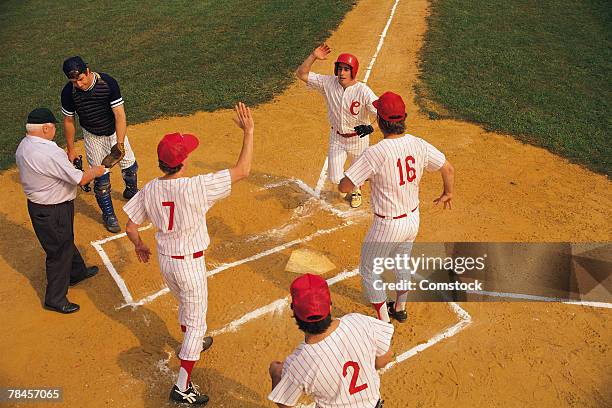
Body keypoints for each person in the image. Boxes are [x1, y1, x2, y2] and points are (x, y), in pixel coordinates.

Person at [123, 102, 254, 405]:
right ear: (182, 162)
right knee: (197, 323)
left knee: (184, 304)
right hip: (190, 266)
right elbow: (243, 170)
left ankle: (190, 340)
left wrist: (139, 246)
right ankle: (182, 386)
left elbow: (131, 227)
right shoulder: (195, 187)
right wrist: (249, 131)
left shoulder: (151, 188)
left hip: (166, 262)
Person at [339, 92, 455, 323]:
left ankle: (384, 321)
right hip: (413, 220)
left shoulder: (375, 153)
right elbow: (448, 168)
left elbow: (344, 187)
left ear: (381, 121)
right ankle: (400, 308)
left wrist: (363, 175)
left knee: (369, 271)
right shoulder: (418, 144)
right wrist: (448, 192)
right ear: (404, 118)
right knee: (402, 262)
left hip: (387, 225)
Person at [15, 108, 104, 314]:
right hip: (53, 209)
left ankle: (77, 272)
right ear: (45, 128)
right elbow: (80, 179)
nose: (55, 129)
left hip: (41, 207)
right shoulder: (49, 152)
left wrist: (64, 163)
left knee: (63, 239)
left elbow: (50, 168)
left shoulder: (24, 145)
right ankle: (55, 298)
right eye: (53, 126)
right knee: (58, 251)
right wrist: (99, 170)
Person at [268, 273, 394, 408]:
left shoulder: (298, 363)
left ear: (294, 313)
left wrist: (276, 374)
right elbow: (385, 358)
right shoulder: (360, 321)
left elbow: (284, 402)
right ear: (329, 306)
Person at [61, 56, 139, 233]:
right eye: (74, 81)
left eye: (80, 79)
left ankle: (131, 190)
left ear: (87, 71)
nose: (79, 84)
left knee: (130, 167)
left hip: (114, 132)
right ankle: (109, 214)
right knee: (101, 178)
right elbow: (68, 121)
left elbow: (119, 115)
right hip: (93, 136)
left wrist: (119, 144)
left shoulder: (107, 83)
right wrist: (71, 150)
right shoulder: (69, 92)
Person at [296, 43, 378, 208]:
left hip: (358, 139)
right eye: (339, 69)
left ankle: (356, 189)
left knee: (357, 176)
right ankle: (355, 181)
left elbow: (381, 114)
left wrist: (370, 128)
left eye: (346, 69)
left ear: (353, 71)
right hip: (337, 138)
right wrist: (313, 56)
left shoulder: (363, 91)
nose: (341, 73)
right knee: (334, 178)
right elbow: (302, 73)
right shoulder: (328, 83)